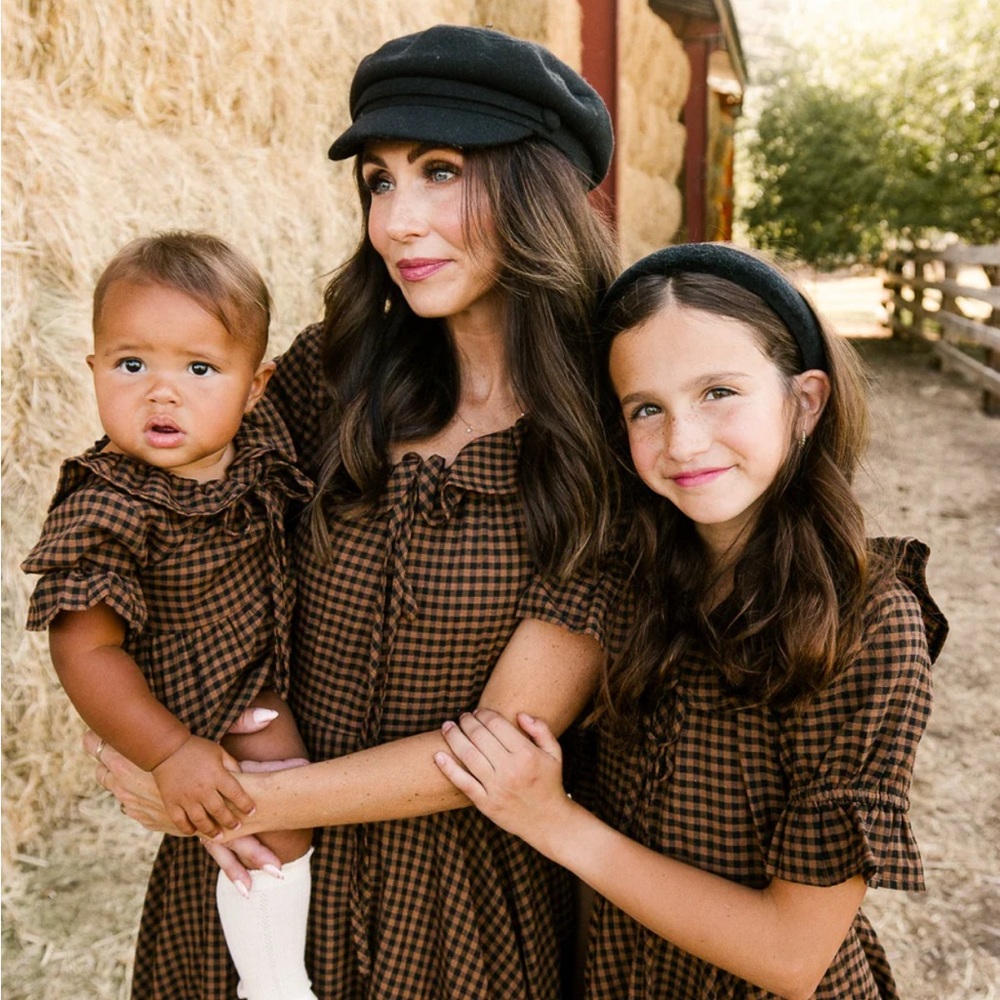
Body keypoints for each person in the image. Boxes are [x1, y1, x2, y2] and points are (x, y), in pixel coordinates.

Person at [87, 24, 623, 999]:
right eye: (379, 181)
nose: (397, 221)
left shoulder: (604, 432)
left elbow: (505, 737)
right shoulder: (331, 375)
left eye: (439, 172)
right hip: (253, 888)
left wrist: (219, 800)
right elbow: (176, 520)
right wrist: (154, 724)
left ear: (536, 187)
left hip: (450, 918)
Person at [434, 243, 949, 999]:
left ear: (805, 401)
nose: (683, 442)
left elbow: (790, 954)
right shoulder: (627, 582)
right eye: (648, 408)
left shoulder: (868, 624)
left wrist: (553, 822)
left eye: (718, 393)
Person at [22, 232, 318, 1000]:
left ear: (255, 387)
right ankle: (272, 981)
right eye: (131, 365)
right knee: (277, 811)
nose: (162, 392)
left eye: (198, 368)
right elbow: (85, 651)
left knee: (288, 801)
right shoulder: (107, 503)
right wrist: (171, 751)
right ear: (93, 371)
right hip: (187, 705)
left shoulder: (259, 445)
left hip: (260, 669)